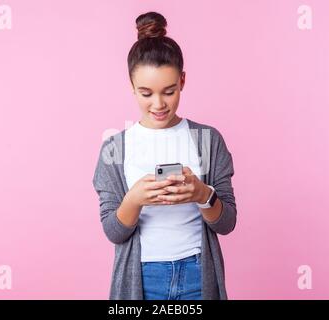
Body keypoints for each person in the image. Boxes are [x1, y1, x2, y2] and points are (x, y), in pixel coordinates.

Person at [92, 11, 237, 300]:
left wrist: (202, 193)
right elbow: (114, 232)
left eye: (169, 91)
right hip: (144, 280)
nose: (158, 104)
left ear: (182, 81)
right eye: (146, 93)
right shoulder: (114, 149)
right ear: (131, 86)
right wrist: (134, 198)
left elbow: (227, 223)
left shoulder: (208, 140)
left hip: (198, 275)